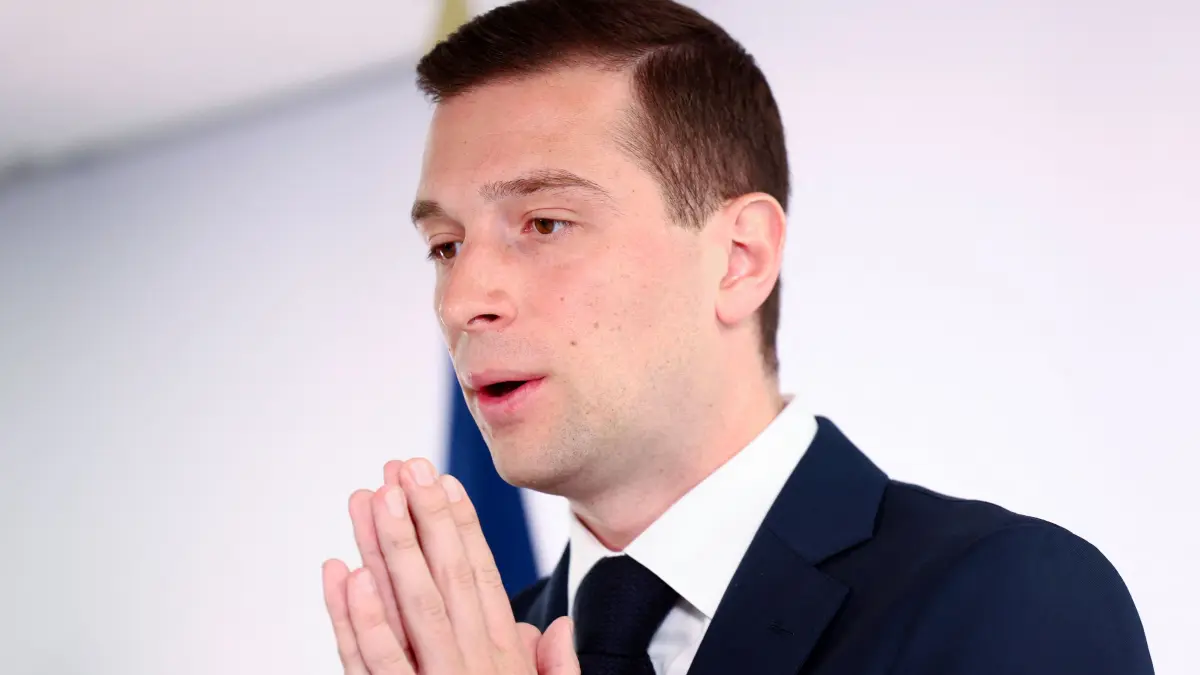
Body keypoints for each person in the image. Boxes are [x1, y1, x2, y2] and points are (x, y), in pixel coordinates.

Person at [320, 1, 1155, 674]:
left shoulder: (1009, 598)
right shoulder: (467, 651)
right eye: (445, 246)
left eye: (545, 222)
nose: (464, 297)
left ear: (739, 257)